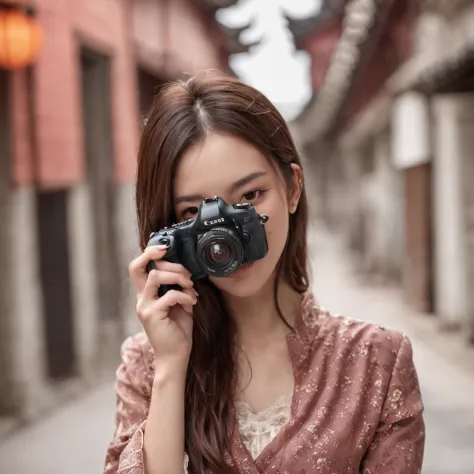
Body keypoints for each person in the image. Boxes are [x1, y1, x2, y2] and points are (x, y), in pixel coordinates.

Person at [104, 71, 425, 474]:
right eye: (193, 213)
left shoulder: (378, 361)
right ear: (167, 231)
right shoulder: (146, 365)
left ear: (292, 188)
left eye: (250, 196)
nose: (225, 237)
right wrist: (171, 367)